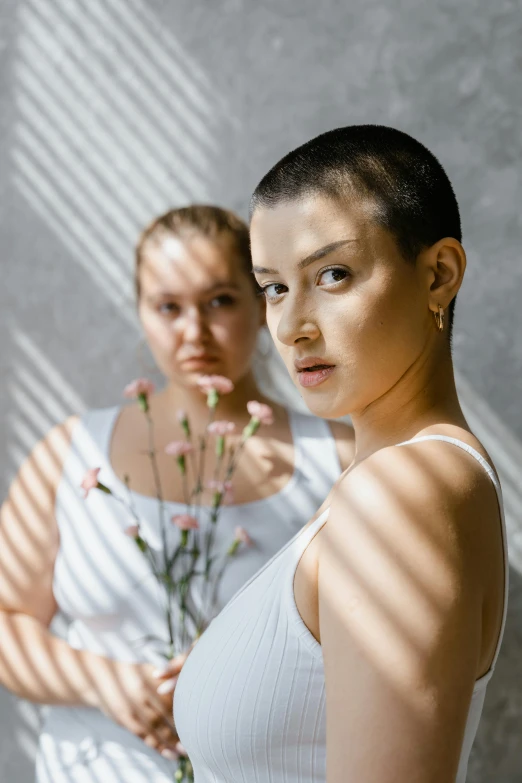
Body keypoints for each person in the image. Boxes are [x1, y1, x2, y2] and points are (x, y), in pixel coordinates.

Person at [173, 128, 508, 783]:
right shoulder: (392, 480)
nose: (294, 325)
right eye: (273, 287)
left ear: (438, 274)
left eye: (333, 274)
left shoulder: (402, 495)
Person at [0, 205, 354, 783]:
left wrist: (237, 673)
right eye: (168, 308)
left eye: (220, 301)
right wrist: (100, 680)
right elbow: (7, 619)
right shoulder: (72, 451)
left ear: (263, 304)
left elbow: (377, 646)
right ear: (141, 313)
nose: (193, 332)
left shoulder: (339, 457)